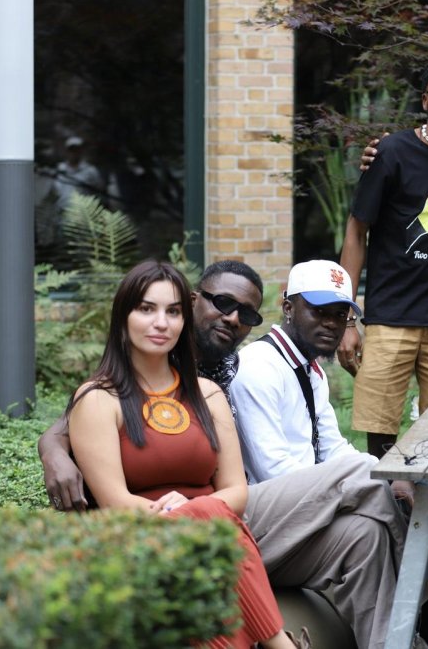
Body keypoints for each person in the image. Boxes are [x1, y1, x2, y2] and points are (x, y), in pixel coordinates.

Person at [38, 260, 394, 649]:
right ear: (195, 302)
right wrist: (52, 449)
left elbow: (235, 490)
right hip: (168, 532)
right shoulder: (105, 393)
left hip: (235, 521)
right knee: (361, 471)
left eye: (247, 314)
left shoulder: (216, 382)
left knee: (365, 534)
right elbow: (78, 422)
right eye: (223, 303)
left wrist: (204, 510)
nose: (233, 318)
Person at [232, 259, 428, 649]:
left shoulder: (309, 369)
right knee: (370, 478)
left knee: (370, 532)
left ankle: (401, 642)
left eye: (341, 315)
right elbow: (276, 472)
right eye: (319, 311)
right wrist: (376, 481)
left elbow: (332, 448)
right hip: (263, 524)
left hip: (304, 511)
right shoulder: (258, 367)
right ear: (288, 307)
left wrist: (382, 479)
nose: (331, 323)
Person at [64, 260, 305, 649]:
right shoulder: (98, 399)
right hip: (140, 541)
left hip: (215, 541)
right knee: (208, 522)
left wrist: (200, 512)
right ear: (123, 317)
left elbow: (236, 492)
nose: (161, 323)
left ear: (184, 320)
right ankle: (280, 643)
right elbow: (115, 503)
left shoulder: (208, 394)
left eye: (173, 312)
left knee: (209, 529)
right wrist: (191, 513)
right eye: (147, 309)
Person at [338, 58, 428, 460]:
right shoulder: (390, 152)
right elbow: (356, 231)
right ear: (424, 100)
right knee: (380, 434)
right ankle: (387, 498)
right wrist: (346, 317)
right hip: (390, 317)